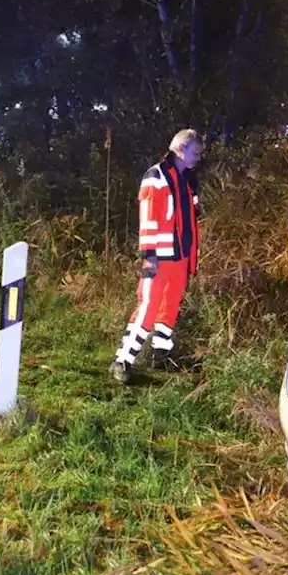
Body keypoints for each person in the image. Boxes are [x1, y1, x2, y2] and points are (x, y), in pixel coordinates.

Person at [110, 128, 203, 384]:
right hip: (159, 258)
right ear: (180, 150)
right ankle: (123, 360)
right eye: (195, 152)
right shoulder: (157, 176)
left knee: (170, 305)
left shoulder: (186, 178)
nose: (198, 157)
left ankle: (160, 353)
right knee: (148, 307)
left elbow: (190, 220)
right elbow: (148, 219)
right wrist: (148, 255)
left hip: (180, 257)